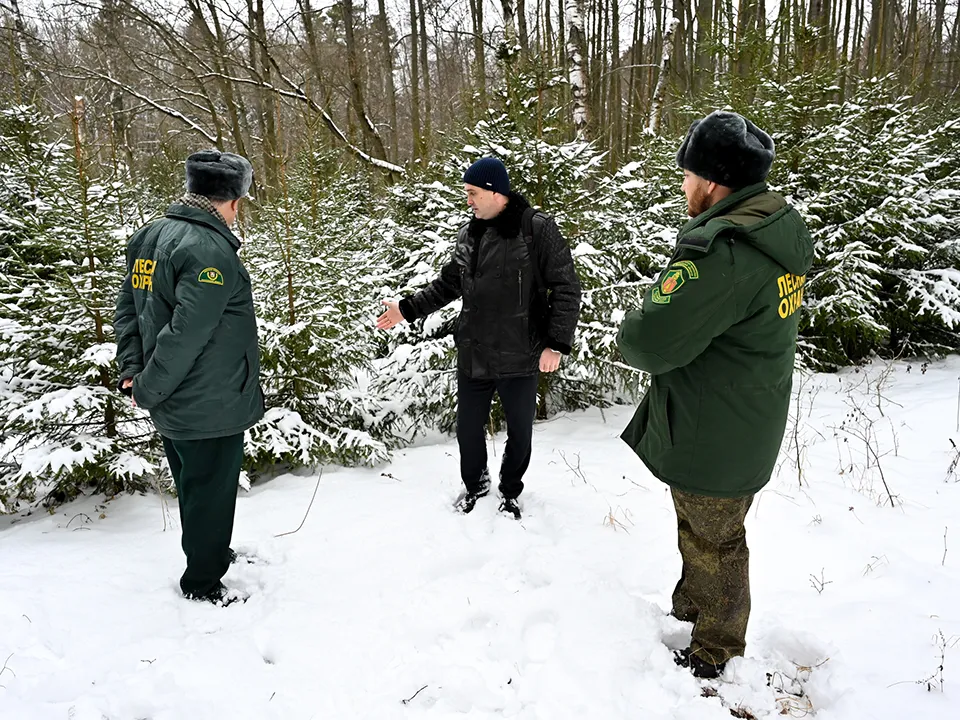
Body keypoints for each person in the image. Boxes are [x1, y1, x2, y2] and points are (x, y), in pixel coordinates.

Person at [616, 112, 814, 678]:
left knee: (716, 540)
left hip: (717, 429)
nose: (682, 186)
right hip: (744, 415)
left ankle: (717, 650)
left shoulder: (725, 252)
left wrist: (639, 317)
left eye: (687, 175)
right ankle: (692, 606)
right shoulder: (773, 232)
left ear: (713, 181)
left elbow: (651, 340)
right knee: (704, 531)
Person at [377, 158, 581, 519]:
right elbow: (448, 285)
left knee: (520, 433)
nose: (468, 201)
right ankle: (475, 485)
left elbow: (566, 287)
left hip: (522, 353)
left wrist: (556, 343)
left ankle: (510, 490)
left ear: (494, 192)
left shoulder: (536, 228)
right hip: (475, 351)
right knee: (468, 430)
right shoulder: (469, 233)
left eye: (472, 193)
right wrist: (405, 310)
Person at [114, 150, 264, 606]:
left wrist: (133, 370)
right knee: (210, 491)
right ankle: (202, 582)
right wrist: (148, 385)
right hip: (207, 399)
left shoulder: (151, 236)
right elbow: (186, 333)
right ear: (232, 201)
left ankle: (211, 549)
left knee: (195, 486)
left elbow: (129, 311)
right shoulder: (210, 249)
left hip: (176, 397)